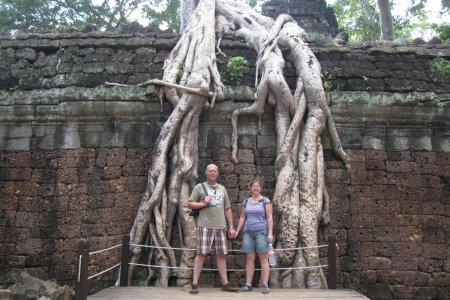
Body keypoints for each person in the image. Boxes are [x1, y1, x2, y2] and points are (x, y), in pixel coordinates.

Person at [187, 163, 239, 294]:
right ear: (206, 172)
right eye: (210, 171)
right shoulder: (200, 187)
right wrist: (203, 203)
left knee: (221, 255)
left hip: (220, 226)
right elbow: (189, 203)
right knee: (201, 254)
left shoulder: (222, 189)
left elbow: (227, 208)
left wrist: (231, 227)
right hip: (204, 225)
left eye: (214, 171)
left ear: (218, 173)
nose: (212, 173)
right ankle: (194, 283)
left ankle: (225, 283)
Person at [235, 178, 273, 294]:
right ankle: (248, 284)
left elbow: (269, 217)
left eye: (257, 186)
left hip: (262, 232)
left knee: (263, 257)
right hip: (248, 232)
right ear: (250, 188)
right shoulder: (246, 201)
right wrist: (237, 231)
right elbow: (242, 217)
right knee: (249, 258)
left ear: (260, 188)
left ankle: (265, 284)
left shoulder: (265, 201)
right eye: (253, 186)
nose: (255, 188)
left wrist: (270, 233)